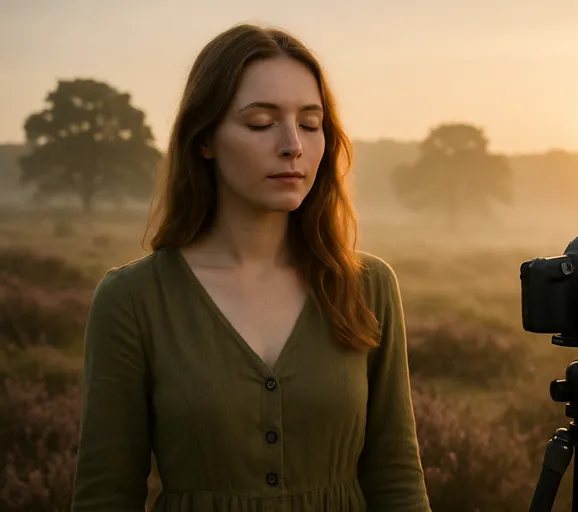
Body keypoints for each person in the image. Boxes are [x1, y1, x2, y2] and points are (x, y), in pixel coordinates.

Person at [71, 23, 431, 512]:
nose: (293, 145)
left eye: (309, 123)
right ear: (205, 139)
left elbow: (397, 479)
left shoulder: (368, 287)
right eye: (261, 123)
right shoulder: (133, 300)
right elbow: (105, 494)